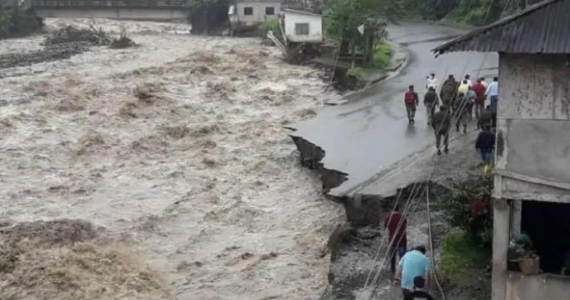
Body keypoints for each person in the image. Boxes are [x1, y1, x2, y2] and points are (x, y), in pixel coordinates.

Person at [384, 204, 407, 274]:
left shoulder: (388, 218)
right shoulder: (402, 217)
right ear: (398, 209)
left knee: (392, 256)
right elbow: (405, 225)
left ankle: (392, 270)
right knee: (402, 257)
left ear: (391, 209)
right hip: (402, 239)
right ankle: (402, 270)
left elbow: (386, 227)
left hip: (392, 239)